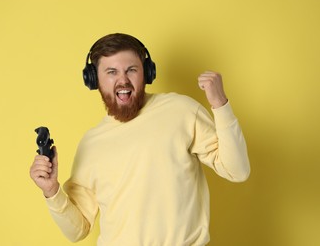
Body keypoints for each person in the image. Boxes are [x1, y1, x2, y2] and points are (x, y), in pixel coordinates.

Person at [30, 33, 250, 246]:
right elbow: (77, 230)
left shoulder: (181, 111)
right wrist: (52, 191)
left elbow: (237, 170)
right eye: (111, 72)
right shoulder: (91, 143)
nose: (123, 80)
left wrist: (220, 104)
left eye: (131, 70)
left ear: (147, 73)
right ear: (93, 79)